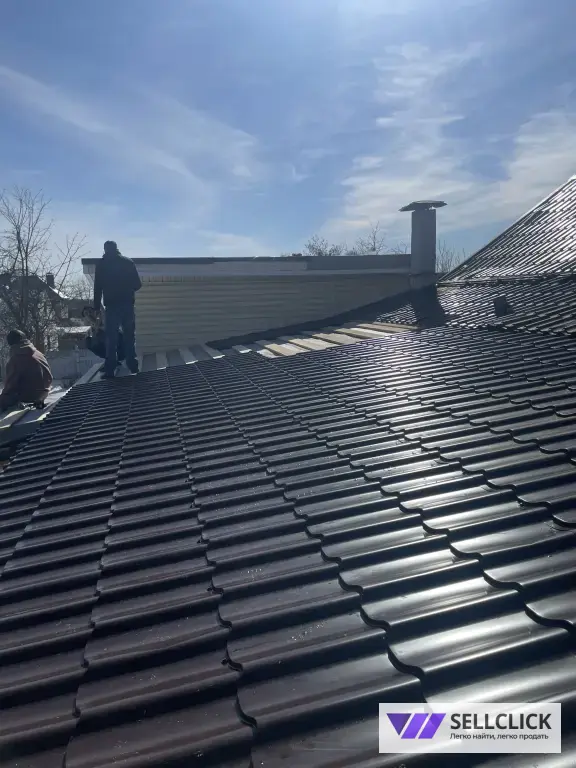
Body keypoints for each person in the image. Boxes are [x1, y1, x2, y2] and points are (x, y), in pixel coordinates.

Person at [93, 240, 141, 378]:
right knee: (129, 336)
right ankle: (133, 366)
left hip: (112, 306)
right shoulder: (128, 263)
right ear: (117, 248)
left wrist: (96, 307)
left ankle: (110, 370)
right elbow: (137, 285)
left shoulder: (102, 265)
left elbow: (97, 288)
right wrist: (126, 289)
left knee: (111, 339)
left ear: (105, 250)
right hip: (127, 305)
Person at [0, 330, 53, 412]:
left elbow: (10, 385)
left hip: (29, 396)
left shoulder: (17, 359)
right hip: (44, 393)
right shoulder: (38, 353)